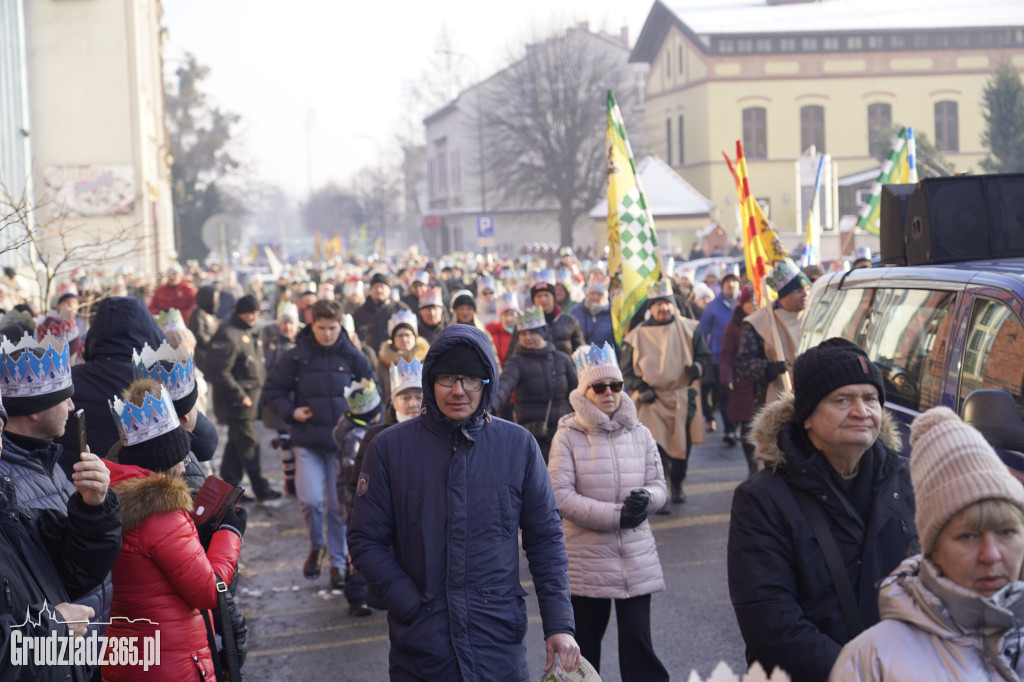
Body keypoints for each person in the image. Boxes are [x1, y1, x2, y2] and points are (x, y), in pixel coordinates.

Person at [349, 325, 581, 680]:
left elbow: (546, 539)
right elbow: (365, 539)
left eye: (471, 379)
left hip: (497, 640)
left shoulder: (517, 446)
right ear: (430, 380)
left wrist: (559, 624)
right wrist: (407, 601)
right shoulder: (389, 448)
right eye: (447, 378)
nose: (458, 390)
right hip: (422, 646)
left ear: (487, 382)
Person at [727, 338, 917, 682]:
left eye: (870, 398)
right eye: (842, 400)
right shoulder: (761, 500)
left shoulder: (909, 480)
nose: (861, 411)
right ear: (808, 418)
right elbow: (771, 623)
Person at [830, 407, 1024, 680]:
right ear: (933, 550)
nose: (990, 555)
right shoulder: (872, 662)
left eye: (1006, 532)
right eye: (967, 536)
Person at [103, 379, 245, 681]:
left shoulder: (110, 495)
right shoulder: (161, 514)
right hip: (171, 661)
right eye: (181, 459)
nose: (185, 466)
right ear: (165, 462)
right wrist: (228, 533)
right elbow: (208, 591)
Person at [548, 343, 669, 681]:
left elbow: (659, 484)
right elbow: (561, 497)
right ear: (584, 392)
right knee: (584, 652)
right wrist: (617, 515)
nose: (608, 393)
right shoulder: (567, 436)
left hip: (635, 558)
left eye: (615, 386)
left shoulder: (641, 433)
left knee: (639, 647)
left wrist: (645, 499)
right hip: (587, 562)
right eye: (598, 387)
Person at [0, 333, 116, 682]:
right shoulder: (11, 485)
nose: (71, 407)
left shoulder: (48, 462)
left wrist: (95, 508)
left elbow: (69, 572)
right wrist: (52, 627)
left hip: (71, 656)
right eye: (63, 398)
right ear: (34, 410)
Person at [263, 299, 375, 588]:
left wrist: (361, 418)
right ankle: (317, 546)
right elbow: (272, 390)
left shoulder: (353, 356)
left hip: (343, 445)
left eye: (333, 328)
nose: (327, 334)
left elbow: (374, 393)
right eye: (322, 327)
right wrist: (291, 412)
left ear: (341, 326)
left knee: (340, 508)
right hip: (307, 440)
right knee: (311, 500)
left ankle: (339, 565)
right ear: (312, 325)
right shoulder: (296, 356)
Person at [621, 279, 711, 507]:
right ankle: (658, 491)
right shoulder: (636, 335)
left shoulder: (690, 329)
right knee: (655, 451)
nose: (664, 308)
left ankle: (677, 483)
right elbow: (625, 370)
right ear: (651, 307)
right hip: (651, 401)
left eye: (668, 303)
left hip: (681, 397)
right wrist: (640, 387)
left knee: (682, 447)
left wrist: (697, 368)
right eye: (659, 303)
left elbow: (705, 358)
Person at [56, 296, 167, 477]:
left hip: (74, 491)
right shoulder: (157, 384)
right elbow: (206, 443)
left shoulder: (68, 380)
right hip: (140, 496)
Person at [209, 295, 282, 501]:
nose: (253, 317)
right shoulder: (229, 334)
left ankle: (228, 491)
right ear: (239, 312)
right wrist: (239, 395)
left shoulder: (247, 332)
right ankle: (261, 487)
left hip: (248, 402)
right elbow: (219, 371)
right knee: (249, 444)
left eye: (257, 314)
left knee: (235, 446)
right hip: (237, 403)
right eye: (250, 313)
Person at [493, 308, 578, 461]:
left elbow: (577, 392)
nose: (528, 337)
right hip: (534, 436)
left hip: (565, 433)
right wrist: (489, 407)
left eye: (533, 332)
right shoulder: (517, 362)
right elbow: (503, 386)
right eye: (523, 334)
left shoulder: (562, 359)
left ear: (543, 332)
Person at [332, 377, 385, 615]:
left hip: (353, 502)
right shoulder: (356, 438)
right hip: (354, 504)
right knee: (358, 550)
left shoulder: (352, 431)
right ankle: (356, 596)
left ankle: (364, 593)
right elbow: (352, 474)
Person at [736, 258, 811, 412]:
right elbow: (744, 364)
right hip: (771, 400)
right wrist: (770, 369)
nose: (805, 294)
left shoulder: (815, 315)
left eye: (808, 289)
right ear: (784, 295)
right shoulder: (758, 322)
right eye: (798, 290)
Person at [261, 302, 300, 495]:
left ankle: (298, 478)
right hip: (280, 397)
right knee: (284, 440)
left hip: (301, 396)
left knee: (298, 440)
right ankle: (289, 480)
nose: (288, 327)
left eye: (291, 323)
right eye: (285, 323)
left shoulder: (303, 342)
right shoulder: (272, 343)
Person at [719, 285, 758, 475]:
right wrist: (726, 377)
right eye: (749, 302)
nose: (753, 305)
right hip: (742, 383)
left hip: (763, 382)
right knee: (748, 428)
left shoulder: (766, 321)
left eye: (755, 301)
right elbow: (726, 354)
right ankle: (752, 465)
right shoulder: (734, 326)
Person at [700, 271, 741, 443]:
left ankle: (739, 425)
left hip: (743, 358)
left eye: (734, 282)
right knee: (725, 394)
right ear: (722, 285)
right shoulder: (713, 306)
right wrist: (704, 354)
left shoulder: (745, 303)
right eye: (727, 282)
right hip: (719, 358)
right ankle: (730, 429)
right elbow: (702, 332)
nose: (731, 285)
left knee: (741, 395)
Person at [505, 281, 584, 358]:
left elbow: (581, 352)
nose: (543, 299)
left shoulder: (570, 322)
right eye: (539, 296)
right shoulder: (524, 324)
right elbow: (512, 355)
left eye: (546, 295)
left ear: (554, 298)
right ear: (534, 300)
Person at [376, 309, 429, 407]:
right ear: (393, 339)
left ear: (414, 337)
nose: (404, 339)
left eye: (408, 335)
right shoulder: (384, 362)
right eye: (400, 336)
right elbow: (380, 390)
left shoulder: (427, 359)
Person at [570, 279, 616, 354]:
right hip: (581, 359)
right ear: (587, 294)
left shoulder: (612, 314)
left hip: (605, 360)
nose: (595, 297)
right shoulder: (575, 311)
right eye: (592, 293)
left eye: (599, 294)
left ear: (605, 296)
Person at [188, 284, 220, 375]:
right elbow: (199, 334)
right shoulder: (198, 312)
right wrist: (213, 343)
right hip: (201, 356)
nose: (216, 301)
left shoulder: (211, 314)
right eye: (214, 298)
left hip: (210, 354)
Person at [486, 292, 519, 366]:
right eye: (506, 314)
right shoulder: (494, 334)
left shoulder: (522, 333)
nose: (509, 318)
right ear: (500, 316)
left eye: (512, 314)